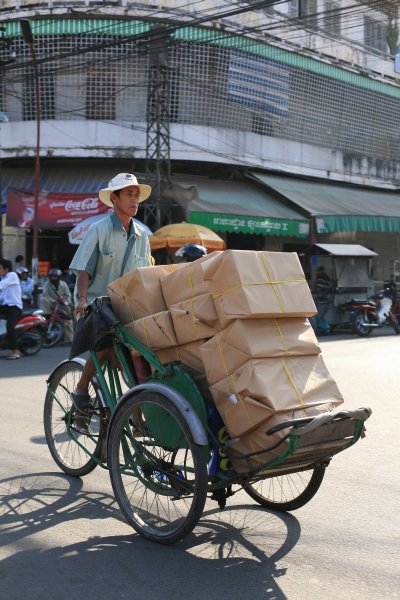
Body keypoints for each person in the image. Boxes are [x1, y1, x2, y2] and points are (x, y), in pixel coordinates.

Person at [69, 172, 152, 415]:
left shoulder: (142, 235)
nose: (134, 199)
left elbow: (145, 274)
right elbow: (84, 269)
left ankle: (135, 412)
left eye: (136, 195)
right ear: (114, 198)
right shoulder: (99, 230)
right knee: (105, 348)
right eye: (129, 194)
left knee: (143, 354)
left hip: (129, 304)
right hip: (98, 304)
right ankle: (82, 388)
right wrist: (82, 300)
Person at [41, 268, 74, 344]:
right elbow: (45, 294)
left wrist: (66, 301)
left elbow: (68, 296)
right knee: (43, 299)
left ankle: (70, 340)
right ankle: (48, 315)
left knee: (68, 320)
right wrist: (54, 301)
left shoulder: (64, 284)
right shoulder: (47, 284)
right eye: (52, 276)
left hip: (62, 305)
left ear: (59, 277)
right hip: (52, 303)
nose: (54, 278)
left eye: (56, 276)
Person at [0, 258, 23, 359]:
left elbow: (1, 286)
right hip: (5, 306)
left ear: (6, 269)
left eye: (0, 268)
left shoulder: (12, 276)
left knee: (10, 325)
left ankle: (15, 351)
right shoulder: (3, 278)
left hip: (14, 307)